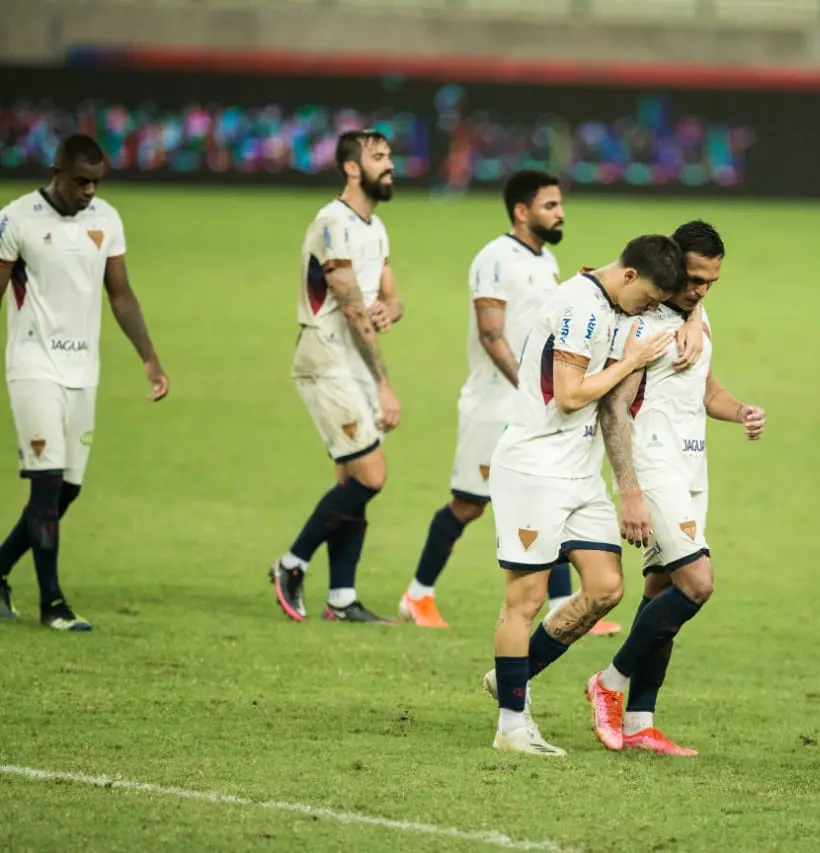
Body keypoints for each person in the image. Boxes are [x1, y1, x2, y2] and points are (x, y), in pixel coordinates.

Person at [397, 169, 621, 634]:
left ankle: (562, 603)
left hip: (528, 407)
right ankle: (418, 594)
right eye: (550, 206)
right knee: (468, 504)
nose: (560, 213)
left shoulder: (547, 261)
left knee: (548, 492)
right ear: (522, 212)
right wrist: (526, 385)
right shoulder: (494, 259)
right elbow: (491, 332)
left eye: (560, 205)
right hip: (493, 404)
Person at [485, 235, 684, 755]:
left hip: (580, 474)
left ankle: (511, 675)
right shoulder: (579, 307)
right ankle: (511, 726)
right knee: (524, 600)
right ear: (629, 276)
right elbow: (571, 395)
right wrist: (630, 359)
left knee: (605, 588)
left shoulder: (609, 304)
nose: (648, 309)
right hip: (534, 468)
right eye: (647, 298)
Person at [586, 220, 766, 756]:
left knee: (663, 593)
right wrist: (630, 490)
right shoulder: (643, 323)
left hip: (693, 471)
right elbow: (615, 407)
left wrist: (742, 412)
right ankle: (610, 682)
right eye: (692, 279)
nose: (700, 290)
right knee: (698, 583)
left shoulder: (697, 320)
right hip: (655, 466)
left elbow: (706, 390)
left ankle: (641, 721)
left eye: (711, 283)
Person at [0, 133, 169, 630]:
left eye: (96, 183)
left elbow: (121, 295)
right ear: (56, 172)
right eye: (81, 182)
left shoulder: (107, 220)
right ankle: (52, 603)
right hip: (33, 367)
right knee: (47, 485)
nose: (89, 191)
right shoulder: (16, 219)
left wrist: (150, 358)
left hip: (83, 372)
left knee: (65, 492)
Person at [269, 129, 404, 624]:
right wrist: (385, 384)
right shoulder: (333, 224)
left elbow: (390, 297)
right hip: (326, 357)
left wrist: (390, 309)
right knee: (372, 475)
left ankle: (342, 599)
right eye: (379, 157)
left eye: (390, 156)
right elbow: (350, 309)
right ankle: (291, 563)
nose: (390, 165)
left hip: (353, 361)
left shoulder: (376, 227)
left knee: (351, 477)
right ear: (352, 167)